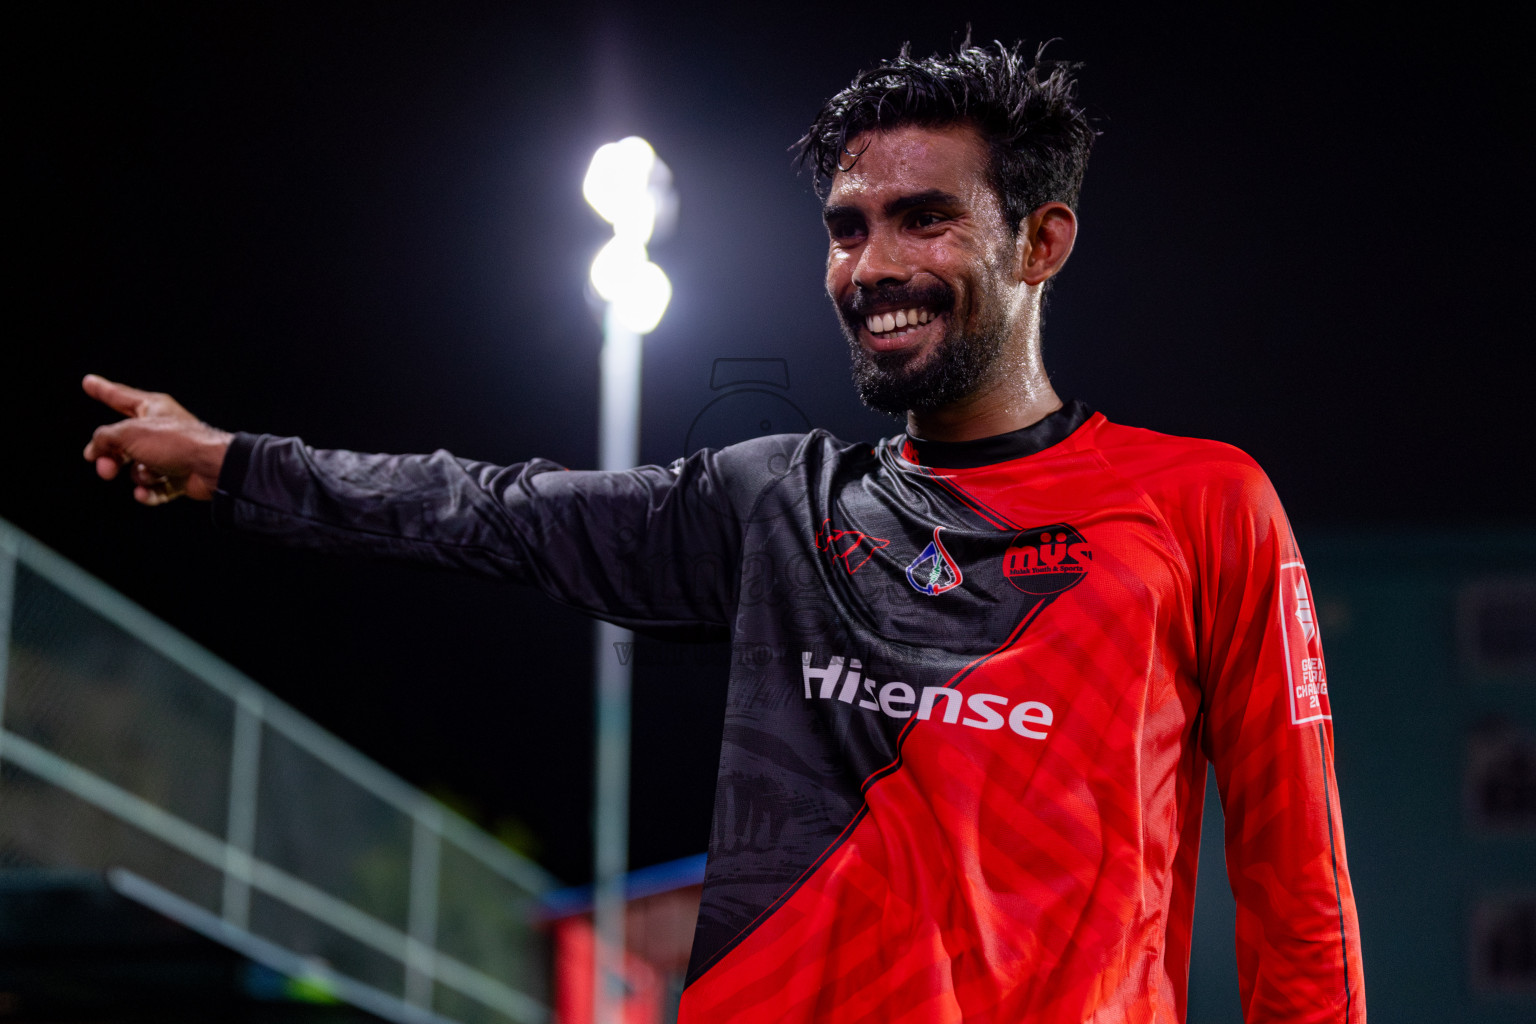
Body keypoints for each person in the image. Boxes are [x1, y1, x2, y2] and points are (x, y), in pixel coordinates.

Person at [82, 40, 1365, 1023]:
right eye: (847, 227)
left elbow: (1297, 883)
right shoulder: (777, 506)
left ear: (1041, 240)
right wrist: (236, 464)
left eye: (924, 217)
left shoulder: (1201, 506)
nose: (870, 265)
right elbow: (490, 508)